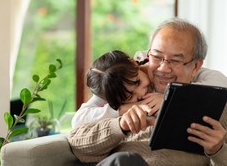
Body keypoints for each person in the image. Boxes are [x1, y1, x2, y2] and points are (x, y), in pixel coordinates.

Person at [67, 17, 227, 166]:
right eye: (158, 57)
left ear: (196, 66)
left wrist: (218, 149)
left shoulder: (215, 103)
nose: (163, 68)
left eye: (175, 61)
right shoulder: (125, 91)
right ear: (146, 55)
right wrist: (120, 125)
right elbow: (78, 145)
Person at [71, 31, 227, 130]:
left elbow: (220, 83)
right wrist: (126, 108)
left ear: (134, 62)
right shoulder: (112, 85)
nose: (140, 93)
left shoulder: (160, 67)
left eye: (137, 82)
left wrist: (170, 99)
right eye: (129, 96)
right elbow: (78, 120)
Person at [85, 50, 151, 112]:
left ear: (133, 63)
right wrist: (127, 108)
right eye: (130, 97)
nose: (141, 93)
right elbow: (79, 119)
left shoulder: (156, 66)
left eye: (138, 83)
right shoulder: (106, 91)